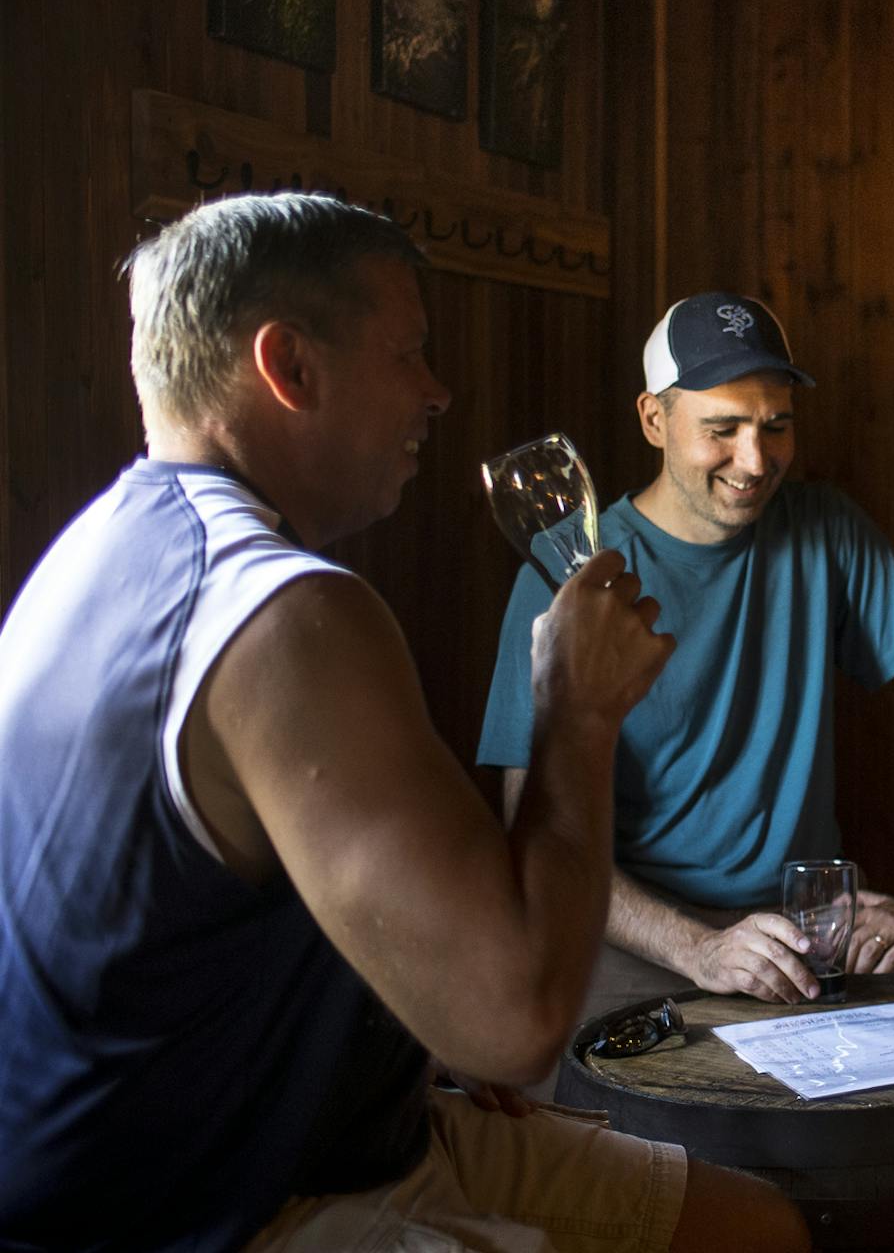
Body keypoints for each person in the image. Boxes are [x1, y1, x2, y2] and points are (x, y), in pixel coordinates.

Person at [0, 194, 808, 1252]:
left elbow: (195, 923)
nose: (438, 393)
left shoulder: (98, 547)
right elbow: (519, 1028)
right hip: (197, 1209)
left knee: (755, 1232)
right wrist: (576, 713)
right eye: (410, 355)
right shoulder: (283, 614)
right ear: (290, 365)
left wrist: (398, 1048)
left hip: (311, 1131)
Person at [479, 291, 894, 1015]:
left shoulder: (826, 528)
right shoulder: (568, 572)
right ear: (654, 420)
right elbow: (528, 825)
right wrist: (698, 949)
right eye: (723, 429)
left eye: (775, 426)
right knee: (577, 1065)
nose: (755, 460)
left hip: (806, 930)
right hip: (632, 934)